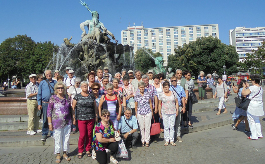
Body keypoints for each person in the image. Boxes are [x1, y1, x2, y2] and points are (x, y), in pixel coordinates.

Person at [47, 82, 72, 163]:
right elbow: (49, 111)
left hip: (67, 121)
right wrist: (49, 123)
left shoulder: (67, 97)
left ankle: (65, 153)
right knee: (57, 138)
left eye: (62, 88)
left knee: (66, 138)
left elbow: (71, 109)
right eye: (58, 88)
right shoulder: (53, 98)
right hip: (56, 122)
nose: (60, 89)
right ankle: (58, 154)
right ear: (56, 89)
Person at [72, 81, 97, 158]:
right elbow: (73, 107)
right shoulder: (77, 96)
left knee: (89, 135)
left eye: (86, 85)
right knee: (82, 135)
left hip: (90, 118)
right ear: (81, 87)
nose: (85, 87)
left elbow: (95, 107)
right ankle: (80, 150)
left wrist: (96, 116)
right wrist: (74, 118)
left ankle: (88, 149)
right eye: (83, 86)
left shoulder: (91, 96)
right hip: (81, 118)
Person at [241, 75, 263, 140]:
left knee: (251, 120)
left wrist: (244, 87)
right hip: (259, 105)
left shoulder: (252, 87)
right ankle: (259, 134)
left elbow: (243, 93)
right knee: (257, 119)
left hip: (252, 105)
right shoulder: (261, 88)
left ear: (254, 80)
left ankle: (254, 135)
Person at [37, 70, 57, 141]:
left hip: (53, 103)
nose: (49, 75)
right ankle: (44, 133)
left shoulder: (55, 82)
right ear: (45, 75)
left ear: (52, 74)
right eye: (47, 74)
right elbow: (39, 94)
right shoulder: (42, 83)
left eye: (50, 74)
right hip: (45, 103)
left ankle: (53, 132)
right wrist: (39, 104)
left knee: (53, 118)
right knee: (45, 119)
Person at [159, 81, 178, 146]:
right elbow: (159, 104)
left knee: (172, 126)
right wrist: (160, 112)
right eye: (164, 87)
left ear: (169, 87)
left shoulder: (173, 93)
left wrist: (177, 110)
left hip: (172, 111)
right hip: (165, 112)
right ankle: (167, 140)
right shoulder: (161, 94)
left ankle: (172, 140)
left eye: (166, 87)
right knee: (166, 126)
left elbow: (176, 102)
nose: (165, 89)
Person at [135, 82, 153, 147]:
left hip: (148, 111)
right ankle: (143, 140)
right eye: (140, 87)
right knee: (142, 127)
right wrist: (136, 113)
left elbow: (150, 103)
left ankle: (147, 140)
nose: (142, 88)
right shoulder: (137, 95)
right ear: (139, 88)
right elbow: (136, 105)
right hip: (140, 112)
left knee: (147, 127)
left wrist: (152, 111)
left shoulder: (148, 94)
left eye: (143, 87)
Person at [170, 76, 186, 143]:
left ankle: (178, 135)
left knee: (178, 122)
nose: (173, 82)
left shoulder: (180, 88)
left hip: (178, 106)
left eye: (175, 80)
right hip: (170, 107)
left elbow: (183, 97)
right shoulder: (169, 88)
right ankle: (172, 136)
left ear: (177, 81)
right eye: (172, 81)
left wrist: (184, 106)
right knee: (171, 122)